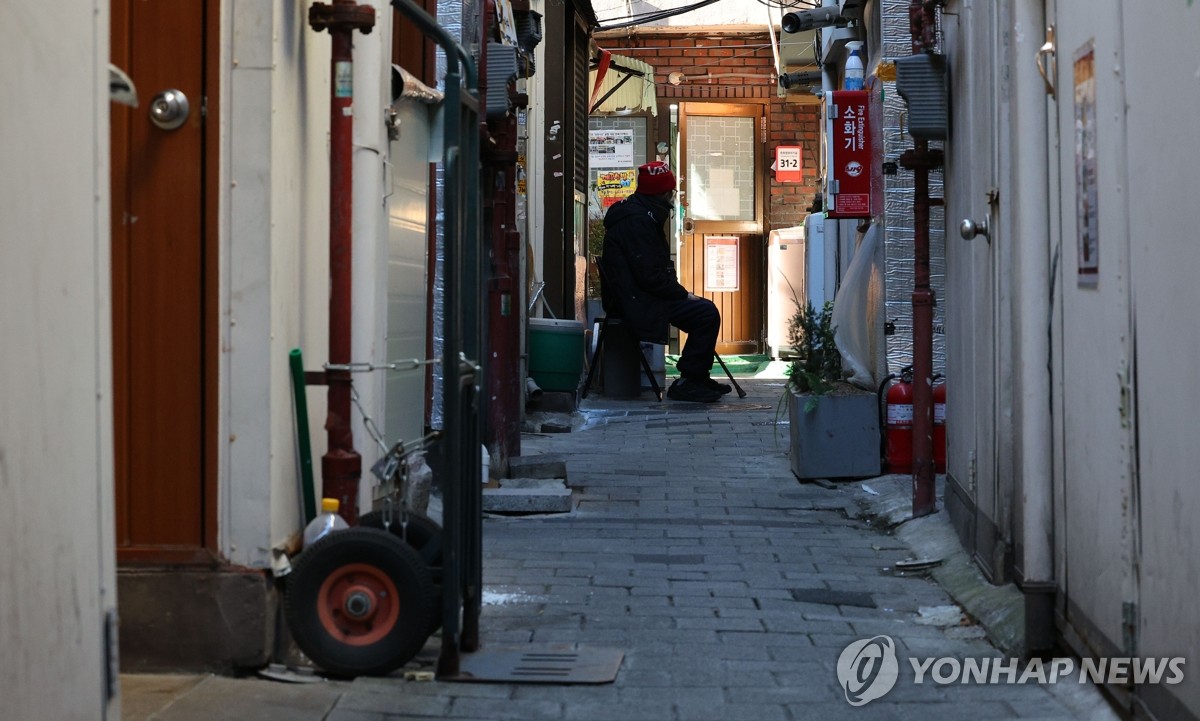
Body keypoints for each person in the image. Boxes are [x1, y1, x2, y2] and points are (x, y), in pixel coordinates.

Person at [600, 161, 730, 403]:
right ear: (660, 192)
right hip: (637, 299)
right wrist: (681, 294)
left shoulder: (638, 214)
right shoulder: (638, 221)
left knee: (702, 310)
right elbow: (649, 275)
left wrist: (677, 292)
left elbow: (649, 272)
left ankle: (695, 376)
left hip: (635, 294)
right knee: (705, 313)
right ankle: (691, 379)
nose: (672, 198)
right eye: (670, 192)